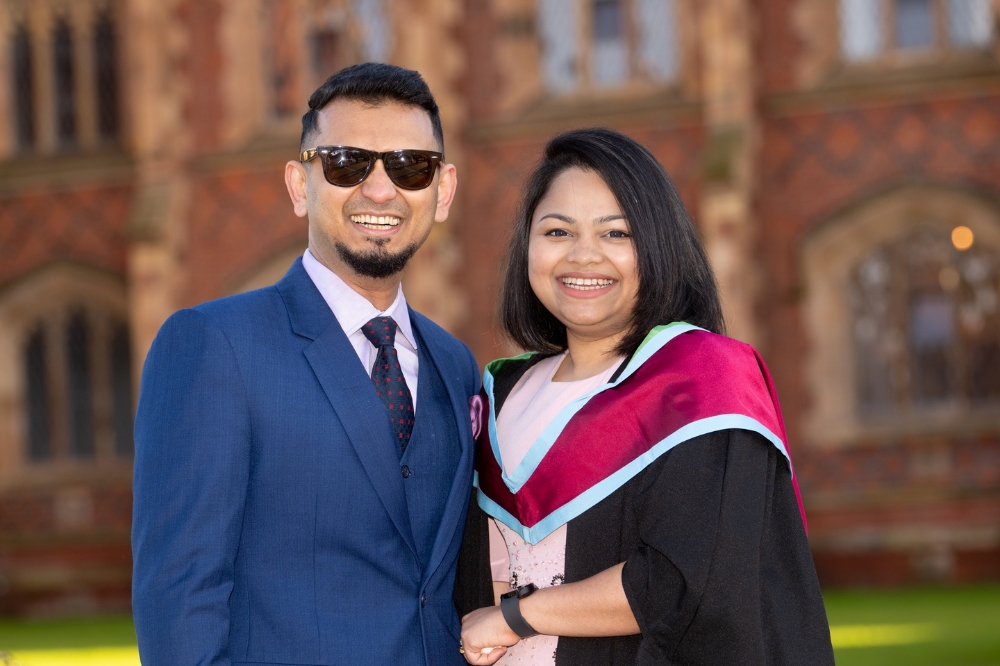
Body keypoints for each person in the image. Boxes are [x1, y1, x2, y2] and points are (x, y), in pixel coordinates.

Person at [132, 63, 481, 666]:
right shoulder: (212, 346)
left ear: (442, 191)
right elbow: (179, 600)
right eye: (347, 163)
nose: (380, 189)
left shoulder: (455, 365)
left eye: (410, 166)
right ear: (300, 184)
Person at [453, 128, 835, 665]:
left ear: (658, 245)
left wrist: (515, 616)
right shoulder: (500, 392)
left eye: (617, 234)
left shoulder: (703, 382)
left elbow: (692, 580)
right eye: (557, 231)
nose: (583, 256)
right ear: (528, 247)